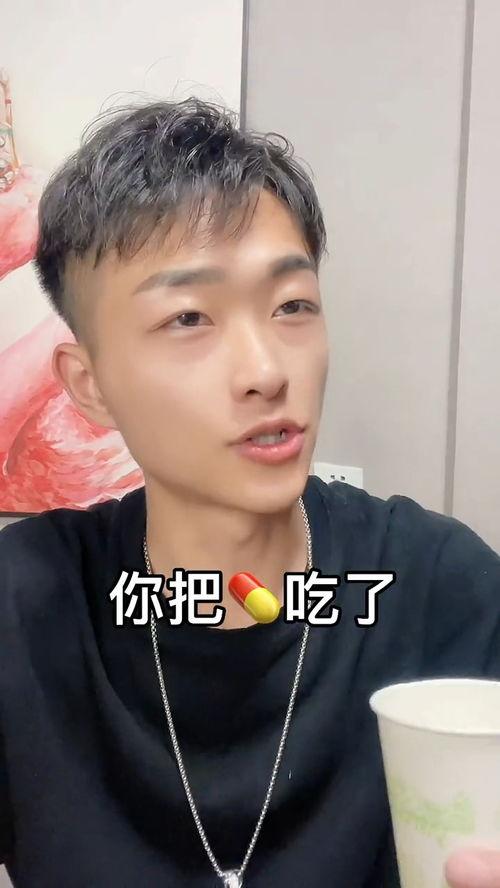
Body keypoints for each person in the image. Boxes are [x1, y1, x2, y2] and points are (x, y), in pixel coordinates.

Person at [0, 98, 499, 888]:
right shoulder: (27, 607)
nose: (267, 370)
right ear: (89, 386)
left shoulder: (439, 589)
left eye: (292, 305)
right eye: (189, 318)